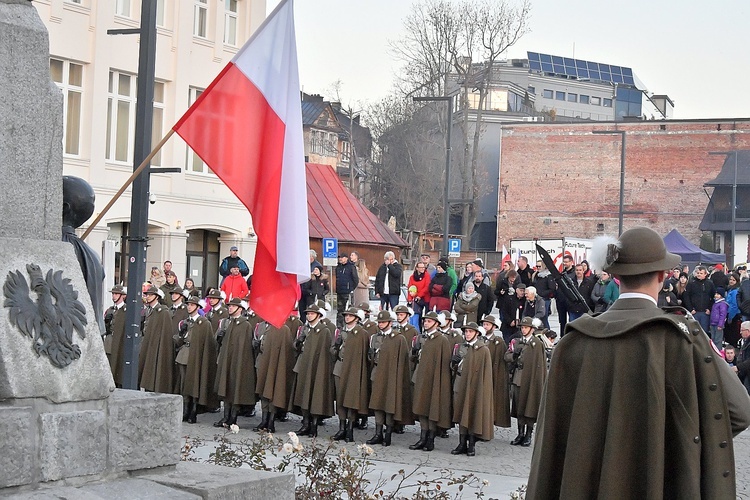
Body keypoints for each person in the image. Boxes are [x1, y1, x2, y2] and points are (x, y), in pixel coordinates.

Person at [527, 226, 750, 498]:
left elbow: (551, 440)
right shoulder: (683, 339)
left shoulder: (570, 344)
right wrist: (678, 445)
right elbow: (739, 411)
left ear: (616, 277)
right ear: (662, 275)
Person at [367, 310, 414, 446]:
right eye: (379, 322)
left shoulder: (399, 338)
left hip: (391, 375)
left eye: (383, 322)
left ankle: (388, 434)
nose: (380, 325)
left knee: (388, 404)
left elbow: (403, 361)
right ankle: (378, 433)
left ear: (390, 323)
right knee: (377, 403)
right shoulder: (375, 337)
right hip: (377, 373)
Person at [410, 310, 452, 452]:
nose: (425, 323)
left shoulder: (442, 340)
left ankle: (430, 439)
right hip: (421, 376)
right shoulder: (422, 338)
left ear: (436, 323)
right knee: (421, 408)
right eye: (425, 321)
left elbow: (445, 363)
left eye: (428, 321)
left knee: (432, 409)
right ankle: (422, 437)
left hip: (434, 379)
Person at [291, 304, 335, 438]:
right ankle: (305, 424)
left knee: (315, 397)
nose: (309, 315)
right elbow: (296, 346)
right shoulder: (305, 329)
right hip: (304, 365)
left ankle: (314, 426)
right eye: (308, 313)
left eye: (312, 313)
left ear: (318, 315)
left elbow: (324, 352)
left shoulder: (324, 330)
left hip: (317, 367)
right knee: (303, 394)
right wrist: (298, 342)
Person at [451, 322, 494, 456]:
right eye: (466, 332)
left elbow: (485, 372)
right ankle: (462, 442)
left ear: (477, 333)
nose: (467, 334)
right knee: (460, 412)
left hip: (475, 385)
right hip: (460, 382)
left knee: (472, 412)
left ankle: (471, 443)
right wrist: (454, 363)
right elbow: (453, 367)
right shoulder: (461, 347)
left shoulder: (483, 350)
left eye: (470, 332)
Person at [214, 298, 256, 429]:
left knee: (236, 389)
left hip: (239, 362)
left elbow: (246, 347)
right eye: (229, 306)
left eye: (233, 306)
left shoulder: (246, 325)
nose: (230, 308)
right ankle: (226, 416)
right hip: (227, 359)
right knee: (225, 387)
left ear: (240, 309)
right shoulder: (227, 323)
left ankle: (233, 417)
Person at [504, 316, 546, 447]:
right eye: (522, 327)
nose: (523, 330)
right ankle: (520, 433)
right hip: (518, 377)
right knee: (520, 406)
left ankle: (528, 434)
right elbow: (507, 356)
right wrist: (514, 356)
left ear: (532, 329)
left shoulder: (537, 344)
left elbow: (540, 364)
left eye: (526, 327)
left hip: (531, 379)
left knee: (530, 406)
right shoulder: (516, 342)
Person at [331, 307, 370, 442]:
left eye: (350, 316)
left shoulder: (362, 333)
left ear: (357, 318)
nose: (347, 317)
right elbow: (333, 352)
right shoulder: (341, 332)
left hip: (353, 368)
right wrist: (335, 347)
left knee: (351, 398)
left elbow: (364, 355)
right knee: (340, 397)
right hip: (340, 366)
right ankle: (341, 427)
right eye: (346, 315)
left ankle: (350, 428)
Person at [179, 295, 219, 425]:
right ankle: (185, 410)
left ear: (197, 307)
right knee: (184, 384)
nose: (189, 306)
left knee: (195, 383)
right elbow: (179, 341)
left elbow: (207, 343)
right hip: (184, 354)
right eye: (188, 304)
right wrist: (180, 334)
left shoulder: (204, 323)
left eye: (191, 304)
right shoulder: (185, 322)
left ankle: (194, 411)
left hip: (196, 356)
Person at [254, 320, 294, 433]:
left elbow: (287, 350)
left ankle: (271, 421)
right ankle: (264, 420)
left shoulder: (283, 329)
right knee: (263, 392)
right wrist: (256, 343)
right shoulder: (261, 326)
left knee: (273, 391)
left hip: (275, 363)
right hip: (262, 362)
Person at [138, 285, 175, 395]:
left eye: (150, 295)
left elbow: (165, 333)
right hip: (146, 342)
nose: (148, 297)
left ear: (157, 297)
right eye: (147, 295)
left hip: (155, 345)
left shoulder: (163, 311)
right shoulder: (147, 310)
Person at [104, 284, 127, 387]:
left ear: (122, 296)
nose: (114, 296)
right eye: (113, 294)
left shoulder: (126, 310)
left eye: (116, 294)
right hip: (109, 342)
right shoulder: (110, 310)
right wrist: (106, 322)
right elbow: (106, 329)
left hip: (120, 343)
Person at [683, 265, 716, 333]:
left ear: (705, 274)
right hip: (694, 312)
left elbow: (714, 297)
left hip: (705, 313)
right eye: (698, 273)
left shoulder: (709, 283)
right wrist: (690, 309)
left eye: (701, 273)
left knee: (704, 332)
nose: (699, 275)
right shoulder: (691, 283)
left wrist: (709, 309)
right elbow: (686, 296)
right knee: (693, 331)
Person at [335, 254, 359, 328]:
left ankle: (349, 325)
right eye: (339, 258)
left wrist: (351, 288)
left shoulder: (351, 267)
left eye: (342, 257)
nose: (340, 259)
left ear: (346, 258)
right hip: (339, 291)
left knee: (349, 309)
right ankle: (339, 326)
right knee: (340, 310)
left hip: (348, 292)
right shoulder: (338, 267)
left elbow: (355, 279)